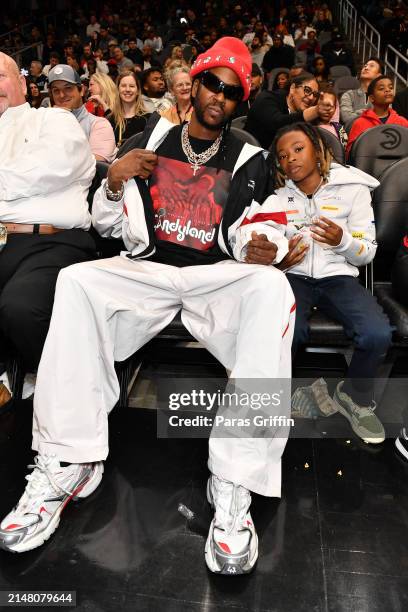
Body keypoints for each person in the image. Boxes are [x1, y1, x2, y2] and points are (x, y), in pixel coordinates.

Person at [0, 38, 296, 577]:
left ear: (239, 103)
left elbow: (264, 224)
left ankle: (235, 481)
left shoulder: (252, 157)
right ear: (196, 85)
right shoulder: (146, 138)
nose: (220, 97)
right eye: (213, 83)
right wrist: (113, 182)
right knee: (78, 282)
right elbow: (107, 226)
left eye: (232, 93)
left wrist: (266, 247)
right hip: (149, 271)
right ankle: (72, 458)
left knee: (273, 290)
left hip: (212, 276)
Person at [265, 122, 392, 443]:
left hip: (339, 278)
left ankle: (354, 398)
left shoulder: (354, 190)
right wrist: (280, 261)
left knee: (376, 333)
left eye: (298, 149)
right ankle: (276, 400)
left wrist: (342, 241)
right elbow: (261, 241)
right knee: (285, 331)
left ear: (319, 151)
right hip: (294, 279)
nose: (290, 159)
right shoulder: (279, 199)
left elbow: (367, 253)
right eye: (282, 156)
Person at [0, 52, 96, 409]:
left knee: (21, 307)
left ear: (23, 83)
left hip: (47, 242)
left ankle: (71, 397)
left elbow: (55, 165)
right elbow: (31, 175)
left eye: (0, 77)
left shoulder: (53, 119)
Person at [48, 64, 116, 163]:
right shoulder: (46, 122)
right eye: (56, 91)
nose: (62, 95)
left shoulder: (99, 124)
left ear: (82, 91)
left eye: (68, 88)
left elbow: (95, 166)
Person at [245, 72, 330, 149]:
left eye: (315, 95)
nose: (311, 98)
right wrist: (315, 111)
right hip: (251, 156)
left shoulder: (308, 117)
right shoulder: (267, 98)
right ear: (292, 88)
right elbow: (278, 124)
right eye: (307, 90)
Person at [346, 76, 408, 157]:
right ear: (371, 98)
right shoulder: (360, 123)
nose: (388, 90)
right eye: (381, 88)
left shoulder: (402, 122)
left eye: (391, 87)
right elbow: (351, 154)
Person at [109, 70, 151, 146]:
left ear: (138, 91)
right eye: (123, 86)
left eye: (131, 86)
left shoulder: (149, 119)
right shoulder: (110, 120)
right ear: (118, 90)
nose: (127, 89)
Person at [340, 57, 383, 124]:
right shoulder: (349, 94)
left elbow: (385, 119)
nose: (366, 68)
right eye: (365, 66)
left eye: (371, 66)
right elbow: (346, 118)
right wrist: (370, 113)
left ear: (378, 76)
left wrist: (357, 113)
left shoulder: (382, 96)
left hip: (376, 133)